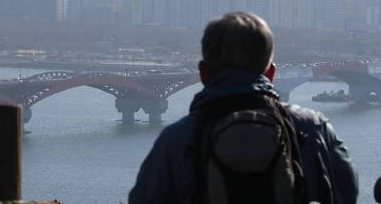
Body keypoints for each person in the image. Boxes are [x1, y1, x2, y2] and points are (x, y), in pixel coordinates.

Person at [129, 12, 358, 204]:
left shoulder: (177, 139)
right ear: (271, 73)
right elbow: (347, 192)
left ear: (203, 73)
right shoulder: (313, 128)